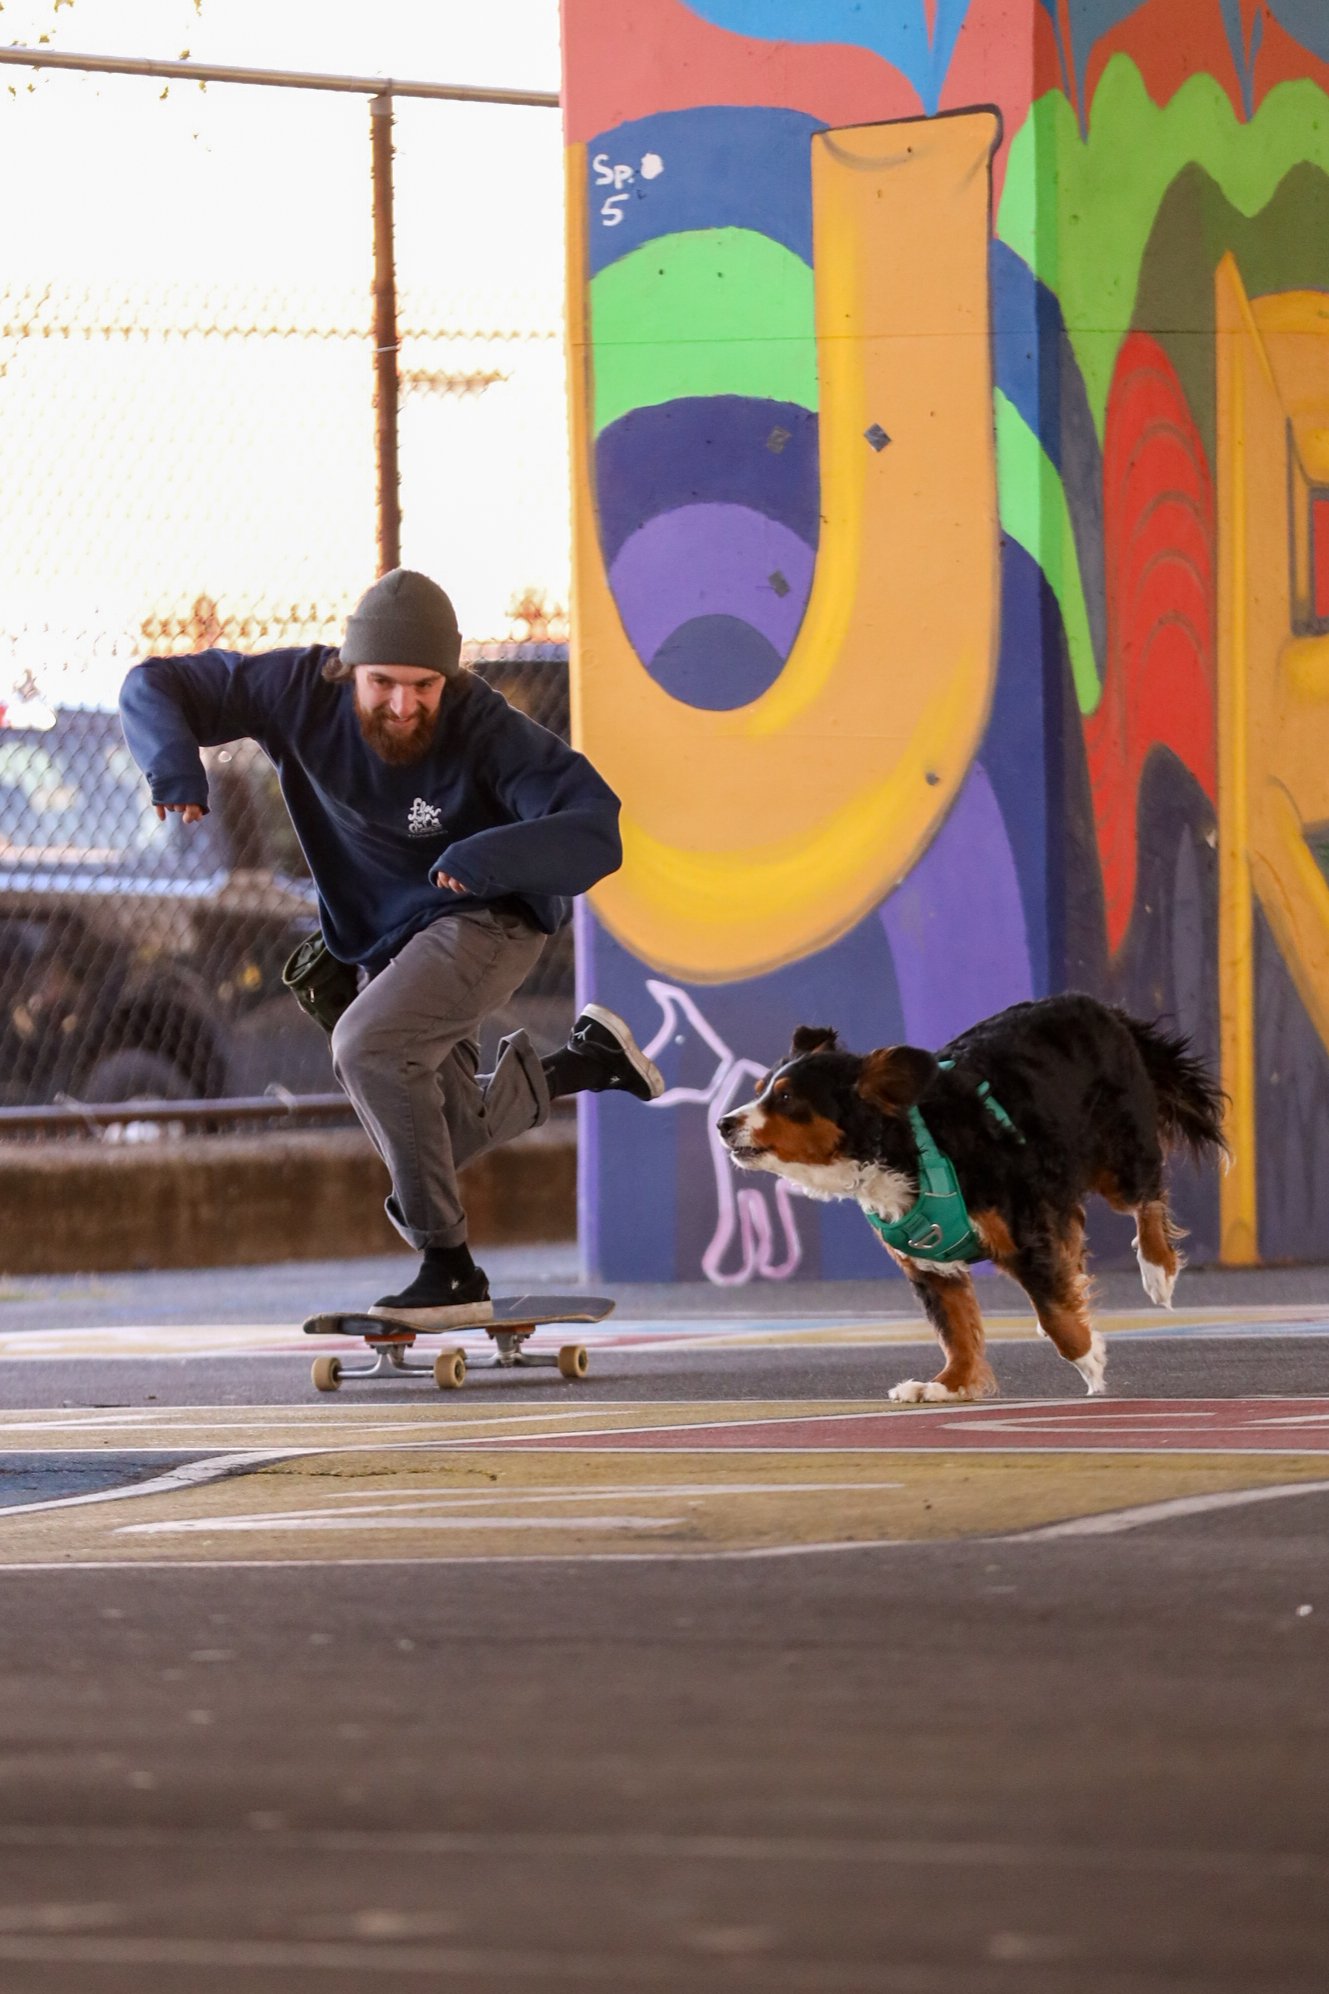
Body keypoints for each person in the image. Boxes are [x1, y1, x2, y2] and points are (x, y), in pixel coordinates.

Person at [119, 568, 662, 1325]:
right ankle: (584, 1061)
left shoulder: (484, 726)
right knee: (436, 1131)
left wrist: (486, 857)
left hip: (489, 918)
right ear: (348, 668)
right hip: (388, 939)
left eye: (423, 687)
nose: (404, 706)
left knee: (367, 1046)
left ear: (447, 679)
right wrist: (174, 766)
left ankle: (448, 1267)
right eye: (383, 684)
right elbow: (155, 684)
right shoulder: (294, 690)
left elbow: (594, 828)